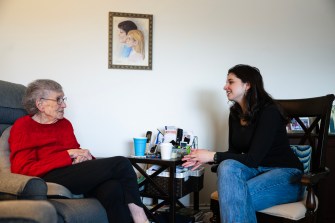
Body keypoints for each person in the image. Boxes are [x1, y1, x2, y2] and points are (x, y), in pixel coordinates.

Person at [9, 79, 148, 223]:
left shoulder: (64, 124)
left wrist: (84, 157)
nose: (64, 105)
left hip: (71, 173)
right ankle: (141, 218)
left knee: (113, 188)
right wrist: (68, 155)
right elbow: (22, 169)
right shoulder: (23, 126)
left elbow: (74, 151)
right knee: (121, 162)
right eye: (58, 100)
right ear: (40, 104)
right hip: (47, 177)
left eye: (63, 99)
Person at [182, 64, 304, 223]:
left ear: (247, 85)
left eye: (230, 82)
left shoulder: (270, 112)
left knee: (232, 196)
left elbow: (253, 159)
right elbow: (233, 155)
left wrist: (212, 155)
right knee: (227, 167)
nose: (225, 86)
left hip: (286, 176)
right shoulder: (234, 114)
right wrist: (204, 157)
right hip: (256, 171)